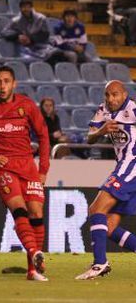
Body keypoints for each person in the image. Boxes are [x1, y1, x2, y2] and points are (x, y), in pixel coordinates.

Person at [0, 65, 50, 281]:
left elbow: (43, 135)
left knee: (36, 212)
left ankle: (33, 270)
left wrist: (43, 169)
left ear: (14, 84)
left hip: (27, 166)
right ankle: (34, 254)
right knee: (19, 208)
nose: (2, 85)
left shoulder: (27, 106)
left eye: (6, 81)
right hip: (2, 167)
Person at [75, 80, 136, 279]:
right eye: (107, 95)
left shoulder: (133, 109)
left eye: (115, 94)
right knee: (108, 227)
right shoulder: (103, 110)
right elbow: (90, 137)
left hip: (131, 167)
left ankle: (99, 263)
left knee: (95, 209)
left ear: (124, 94)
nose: (111, 99)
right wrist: (102, 131)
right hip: (123, 168)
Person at [2, 0, 66, 65]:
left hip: (40, 43)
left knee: (56, 53)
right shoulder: (15, 20)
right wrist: (17, 36)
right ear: (20, 9)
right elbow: (4, 32)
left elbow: (45, 34)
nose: (26, 9)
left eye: (28, 7)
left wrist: (31, 39)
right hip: (24, 46)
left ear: (31, 8)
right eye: (23, 7)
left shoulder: (41, 18)